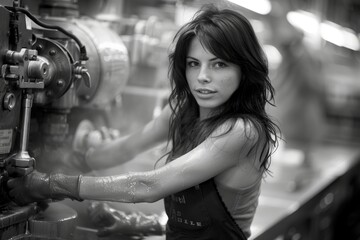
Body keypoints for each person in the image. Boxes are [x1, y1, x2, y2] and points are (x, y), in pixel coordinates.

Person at [7, 4, 280, 240]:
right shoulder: (183, 112)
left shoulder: (242, 132)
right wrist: (73, 160)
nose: (203, 77)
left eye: (219, 64)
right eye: (194, 63)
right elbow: (126, 148)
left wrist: (49, 183)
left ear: (244, 69)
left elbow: (149, 186)